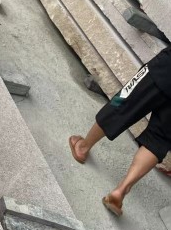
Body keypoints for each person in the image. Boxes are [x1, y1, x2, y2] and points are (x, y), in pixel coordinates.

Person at [69, 46, 171, 217]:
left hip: (165, 68)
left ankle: (83, 147)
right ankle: (120, 190)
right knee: (159, 138)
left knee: (122, 103)